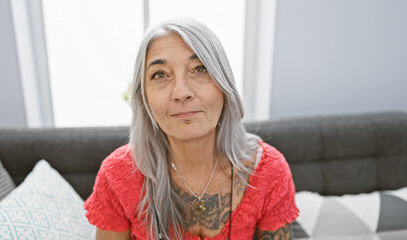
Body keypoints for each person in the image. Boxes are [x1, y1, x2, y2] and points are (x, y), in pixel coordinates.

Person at [84, 18, 299, 240]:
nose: (181, 92)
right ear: (144, 98)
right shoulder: (116, 175)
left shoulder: (269, 171)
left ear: (224, 86)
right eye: (160, 74)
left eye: (199, 69)